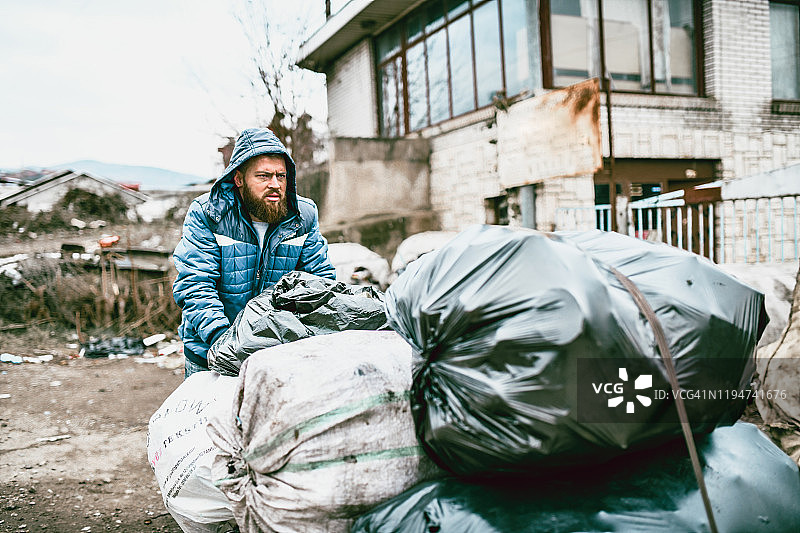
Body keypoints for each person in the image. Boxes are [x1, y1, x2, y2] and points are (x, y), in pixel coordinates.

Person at [172, 128, 335, 378]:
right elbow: (196, 285)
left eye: (281, 176)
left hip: (277, 355)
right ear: (238, 179)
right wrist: (227, 343)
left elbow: (320, 283)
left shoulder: (303, 216)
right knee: (212, 418)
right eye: (263, 176)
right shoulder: (209, 214)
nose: (275, 184)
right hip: (212, 353)